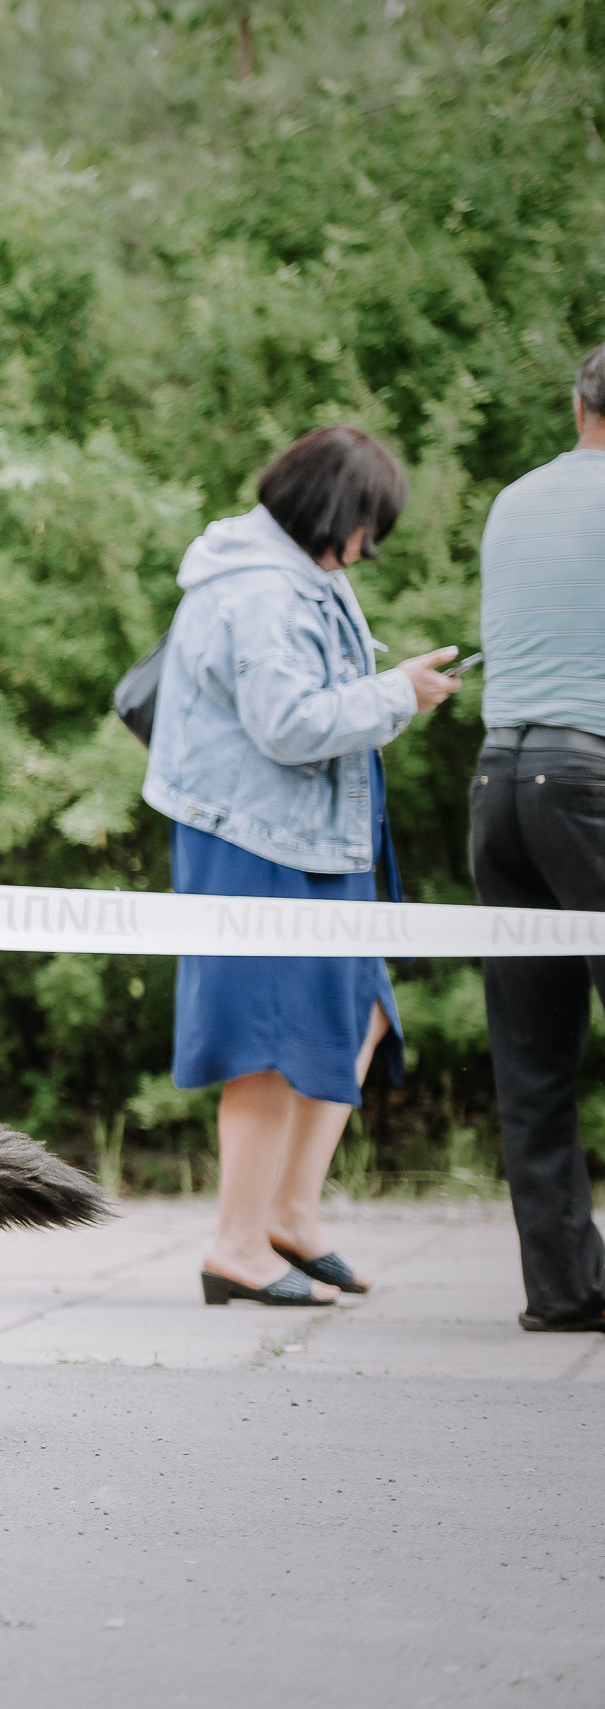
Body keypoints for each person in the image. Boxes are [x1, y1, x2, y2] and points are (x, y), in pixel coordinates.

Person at [144, 425, 461, 1306]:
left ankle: (290, 1215)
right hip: (257, 839)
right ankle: (237, 1245)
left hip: (311, 837)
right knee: (267, 1041)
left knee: (355, 1013)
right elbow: (288, 723)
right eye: (368, 524)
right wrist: (400, 693)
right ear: (335, 512)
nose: (368, 545)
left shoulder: (297, 573)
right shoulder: (260, 590)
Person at [469, 341, 605, 1335]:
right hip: (590, 776)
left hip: (498, 785)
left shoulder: (516, 499)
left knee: (532, 1054)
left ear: (575, 406)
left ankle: (561, 1287)